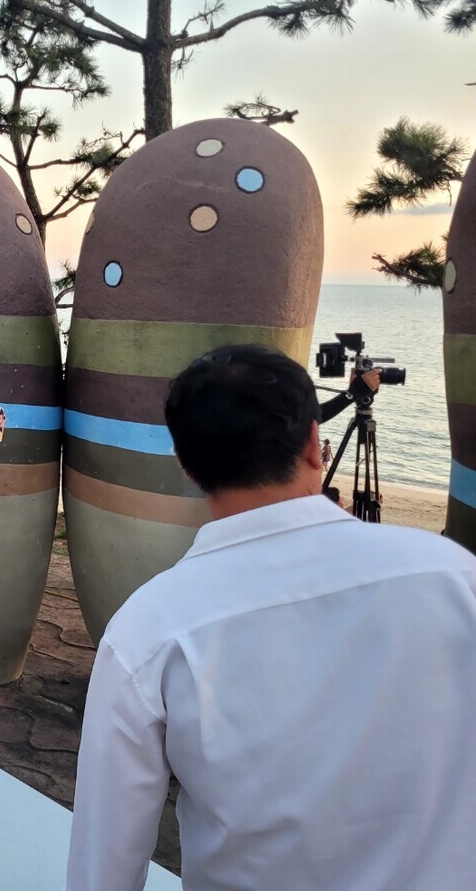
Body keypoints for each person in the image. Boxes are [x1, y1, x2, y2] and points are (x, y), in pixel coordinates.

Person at [66, 344, 476, 891]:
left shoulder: (149, 630)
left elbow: (105, 867)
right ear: (313, 441)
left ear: (186, 464)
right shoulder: (452, 575)